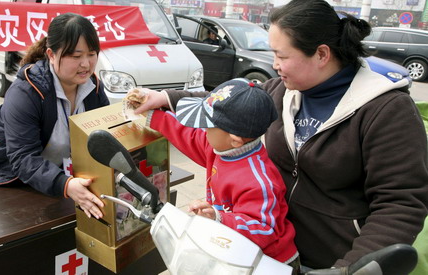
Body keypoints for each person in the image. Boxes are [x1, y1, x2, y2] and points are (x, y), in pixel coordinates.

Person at [132, 0, 428, 271]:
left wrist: (350, 268)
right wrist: (165, 98)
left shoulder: (386, 110)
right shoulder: (281, 92)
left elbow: (400, 204)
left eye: (281, 55)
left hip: (329, 263)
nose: (273, 64)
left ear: (322, 54)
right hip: (261, 255)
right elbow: (227, 104)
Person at [127, 78, 299, 272]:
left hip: (267, 263)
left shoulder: (259, 181)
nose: (201, 130)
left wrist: (220, 218)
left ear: (234, 140)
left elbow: (264, 229)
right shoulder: (221, 148)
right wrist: (153, 115)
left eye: (206, 125)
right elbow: (188, 135)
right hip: (236, 248)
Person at [0, 13, 108, 220]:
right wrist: (65, 184)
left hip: (55, 169)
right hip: (12, 173)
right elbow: (22, 157)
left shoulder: (93, 88)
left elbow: (102, 137)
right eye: (75, 57)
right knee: (18, 229)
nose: (86, 64)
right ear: (51, 54)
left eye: (92, 54)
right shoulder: (26, 92)